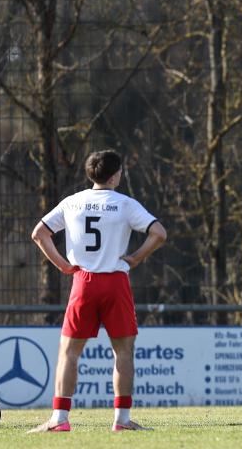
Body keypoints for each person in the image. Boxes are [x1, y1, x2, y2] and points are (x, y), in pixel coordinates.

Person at [28, 150, 167, 432]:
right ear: (114, 176)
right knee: (123, 351)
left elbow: (39, 234)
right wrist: (136, 257)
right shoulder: (125, 204)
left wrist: (62, 265)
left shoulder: (73, 202)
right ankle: (122, 420)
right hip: (116, 282)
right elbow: (159, 233)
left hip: (84, 281)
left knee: (69, 352)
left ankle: (60, 419)